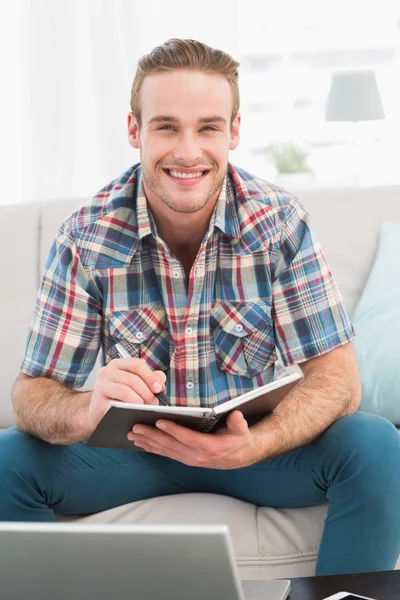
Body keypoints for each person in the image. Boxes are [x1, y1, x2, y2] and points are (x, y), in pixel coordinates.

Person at [1, 38, 399, 575]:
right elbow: (32, 396)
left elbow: (338, 380)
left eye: (208, 127)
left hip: (258, 451)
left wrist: (258, 442)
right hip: (135, 453)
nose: (188, 151)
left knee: (375, 444)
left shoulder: (279, 223)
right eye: (166, 126)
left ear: (234, 132)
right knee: (6, 460)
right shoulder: (86, 236)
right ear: (134, 130)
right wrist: (86, 408)